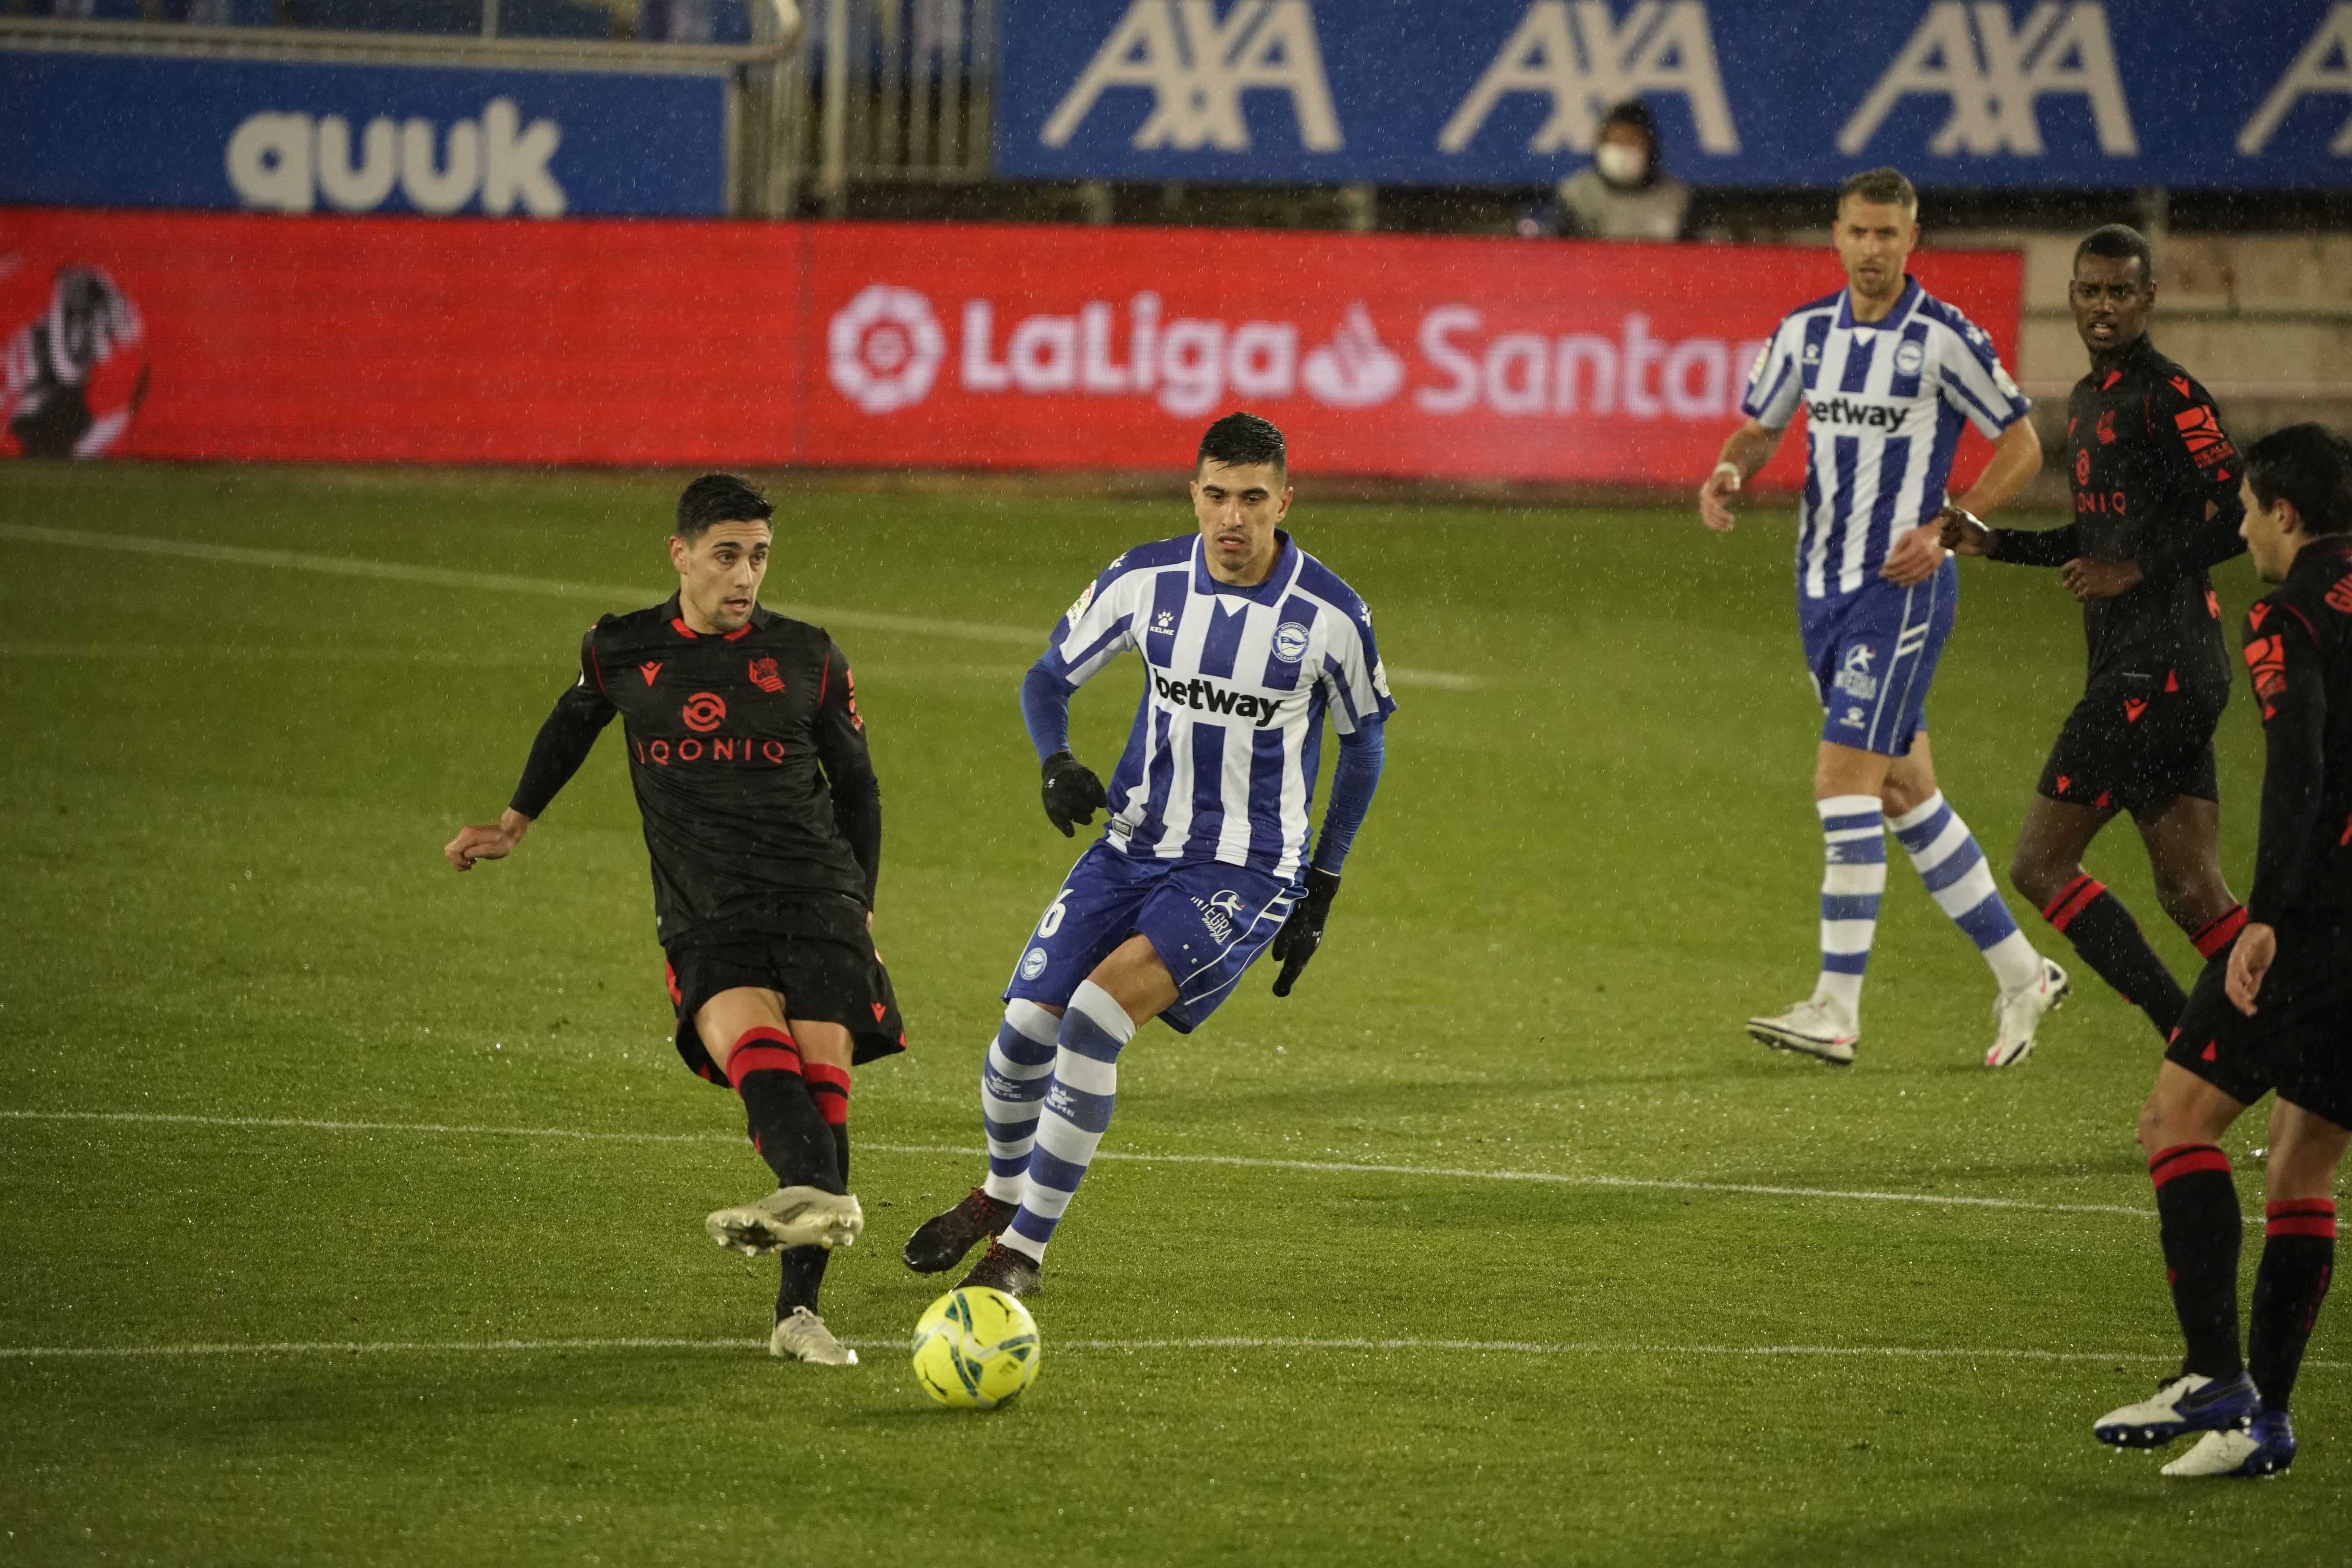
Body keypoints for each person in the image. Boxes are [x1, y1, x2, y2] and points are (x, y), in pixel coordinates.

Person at [900, 412, 1392, 1298]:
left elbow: (1365, 744)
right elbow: (1047, 677)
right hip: (1130, 846)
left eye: (1252, 498)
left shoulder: (1331, 615)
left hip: (1243, 871)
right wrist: (1054, 759)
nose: (1233, 518)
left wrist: (1323, 882)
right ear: (1192, 494)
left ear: (1286, 498)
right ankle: (999, 1195)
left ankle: (1025, 1254)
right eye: (1216, 495)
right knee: (1020, 1038)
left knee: (1091, 1021)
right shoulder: (1147, 579)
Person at [442, 473, 902, 1367]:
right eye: (726, 555)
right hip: (707, 910)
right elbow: (573, 721)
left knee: (822, 1083)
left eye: (760, 557)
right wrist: (513, 821)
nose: (744, 577)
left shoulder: (809, 656)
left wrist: (864, 905)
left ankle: (797, 1313)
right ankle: (821, 1203)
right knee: (760, 1066)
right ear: (680, 554)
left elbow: (859, 787)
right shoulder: (621, 649)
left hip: (817, 899)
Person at [1697, 166, 2065, 1068]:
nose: (1872, 249)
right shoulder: (1806, 335)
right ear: (1836, 235)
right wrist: (1730, 469)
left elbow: (2023, 441)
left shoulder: (1944, 340)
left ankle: (1836, 1005)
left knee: (1842, 781)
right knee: (1903, 792)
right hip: (1819, 589)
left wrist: (1950, 525)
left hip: (1899, 592)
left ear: (1911, 238)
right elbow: (1760, 424)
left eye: (1887, 235)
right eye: (1858, 233)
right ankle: (2023, 973)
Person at [2091, 424, 2352, 1479]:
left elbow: (2300, 763)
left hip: (2324, 920)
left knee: (2176, 1120)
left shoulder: (2285, 614)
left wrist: (2268, 918)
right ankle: (2265, 1427)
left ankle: (2213, 1373)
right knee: (2304, 1162)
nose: (2243, 530)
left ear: (2284, 513)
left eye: (2249, 512)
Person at [1942, 226, 2250, 1040]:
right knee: (2194, 894)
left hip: (2158, 667)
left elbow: (2237, 513)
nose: (2103, 306)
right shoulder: (2091, 397)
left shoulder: (2169, 395)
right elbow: (2097, 533)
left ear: (2149, 298)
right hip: (2160, 670)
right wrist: (1995, 541)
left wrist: (2137, 569)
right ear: (2072, 296)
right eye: (2090, 291)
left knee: (2040, 865)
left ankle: (2191, 1040)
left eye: (2120, 292)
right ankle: (2301, 1051)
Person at [1552, 100, 1689, 242]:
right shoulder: (1575, 194)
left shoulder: (1677, 197)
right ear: (1600, 144)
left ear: (1650, 147)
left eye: (1632, 140)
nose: (1623, 149)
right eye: (1616, 139)